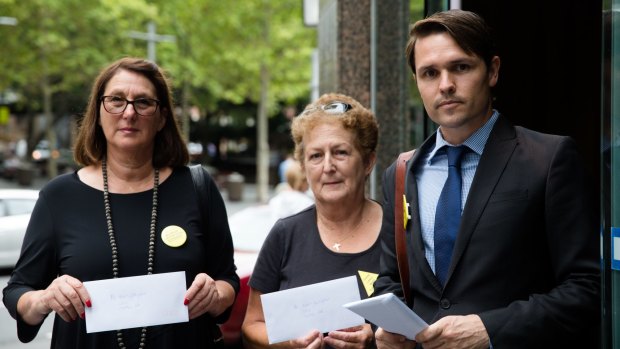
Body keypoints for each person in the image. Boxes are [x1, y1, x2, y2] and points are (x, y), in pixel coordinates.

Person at [373, 9, 600, 349]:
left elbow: (586, 287)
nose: (445, 84)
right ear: (417, 83)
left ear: (492, 71)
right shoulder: (402, 172)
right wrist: (388, 328)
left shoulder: (550, 159)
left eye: (460, 67)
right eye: (430, 73)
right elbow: (391, 279)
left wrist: (491, 330)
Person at [2, 57, 239, 348]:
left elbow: (227, 280)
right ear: (98, 113)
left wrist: (215, 294)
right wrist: (44, 298)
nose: (129, 113)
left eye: (143, 102)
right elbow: (17, 291)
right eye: (116, 100)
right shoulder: (58, 197)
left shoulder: (197, 188)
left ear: (162, 117)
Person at [242, 93, 381, 349]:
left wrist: (376, 339)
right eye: (316, 156)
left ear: (368, 162)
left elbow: (427, 321)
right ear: (304, 167)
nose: (328, 167)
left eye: (340, 152)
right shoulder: (285, 234)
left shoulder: (400, 233)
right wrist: (290, 343)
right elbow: (252, 327)